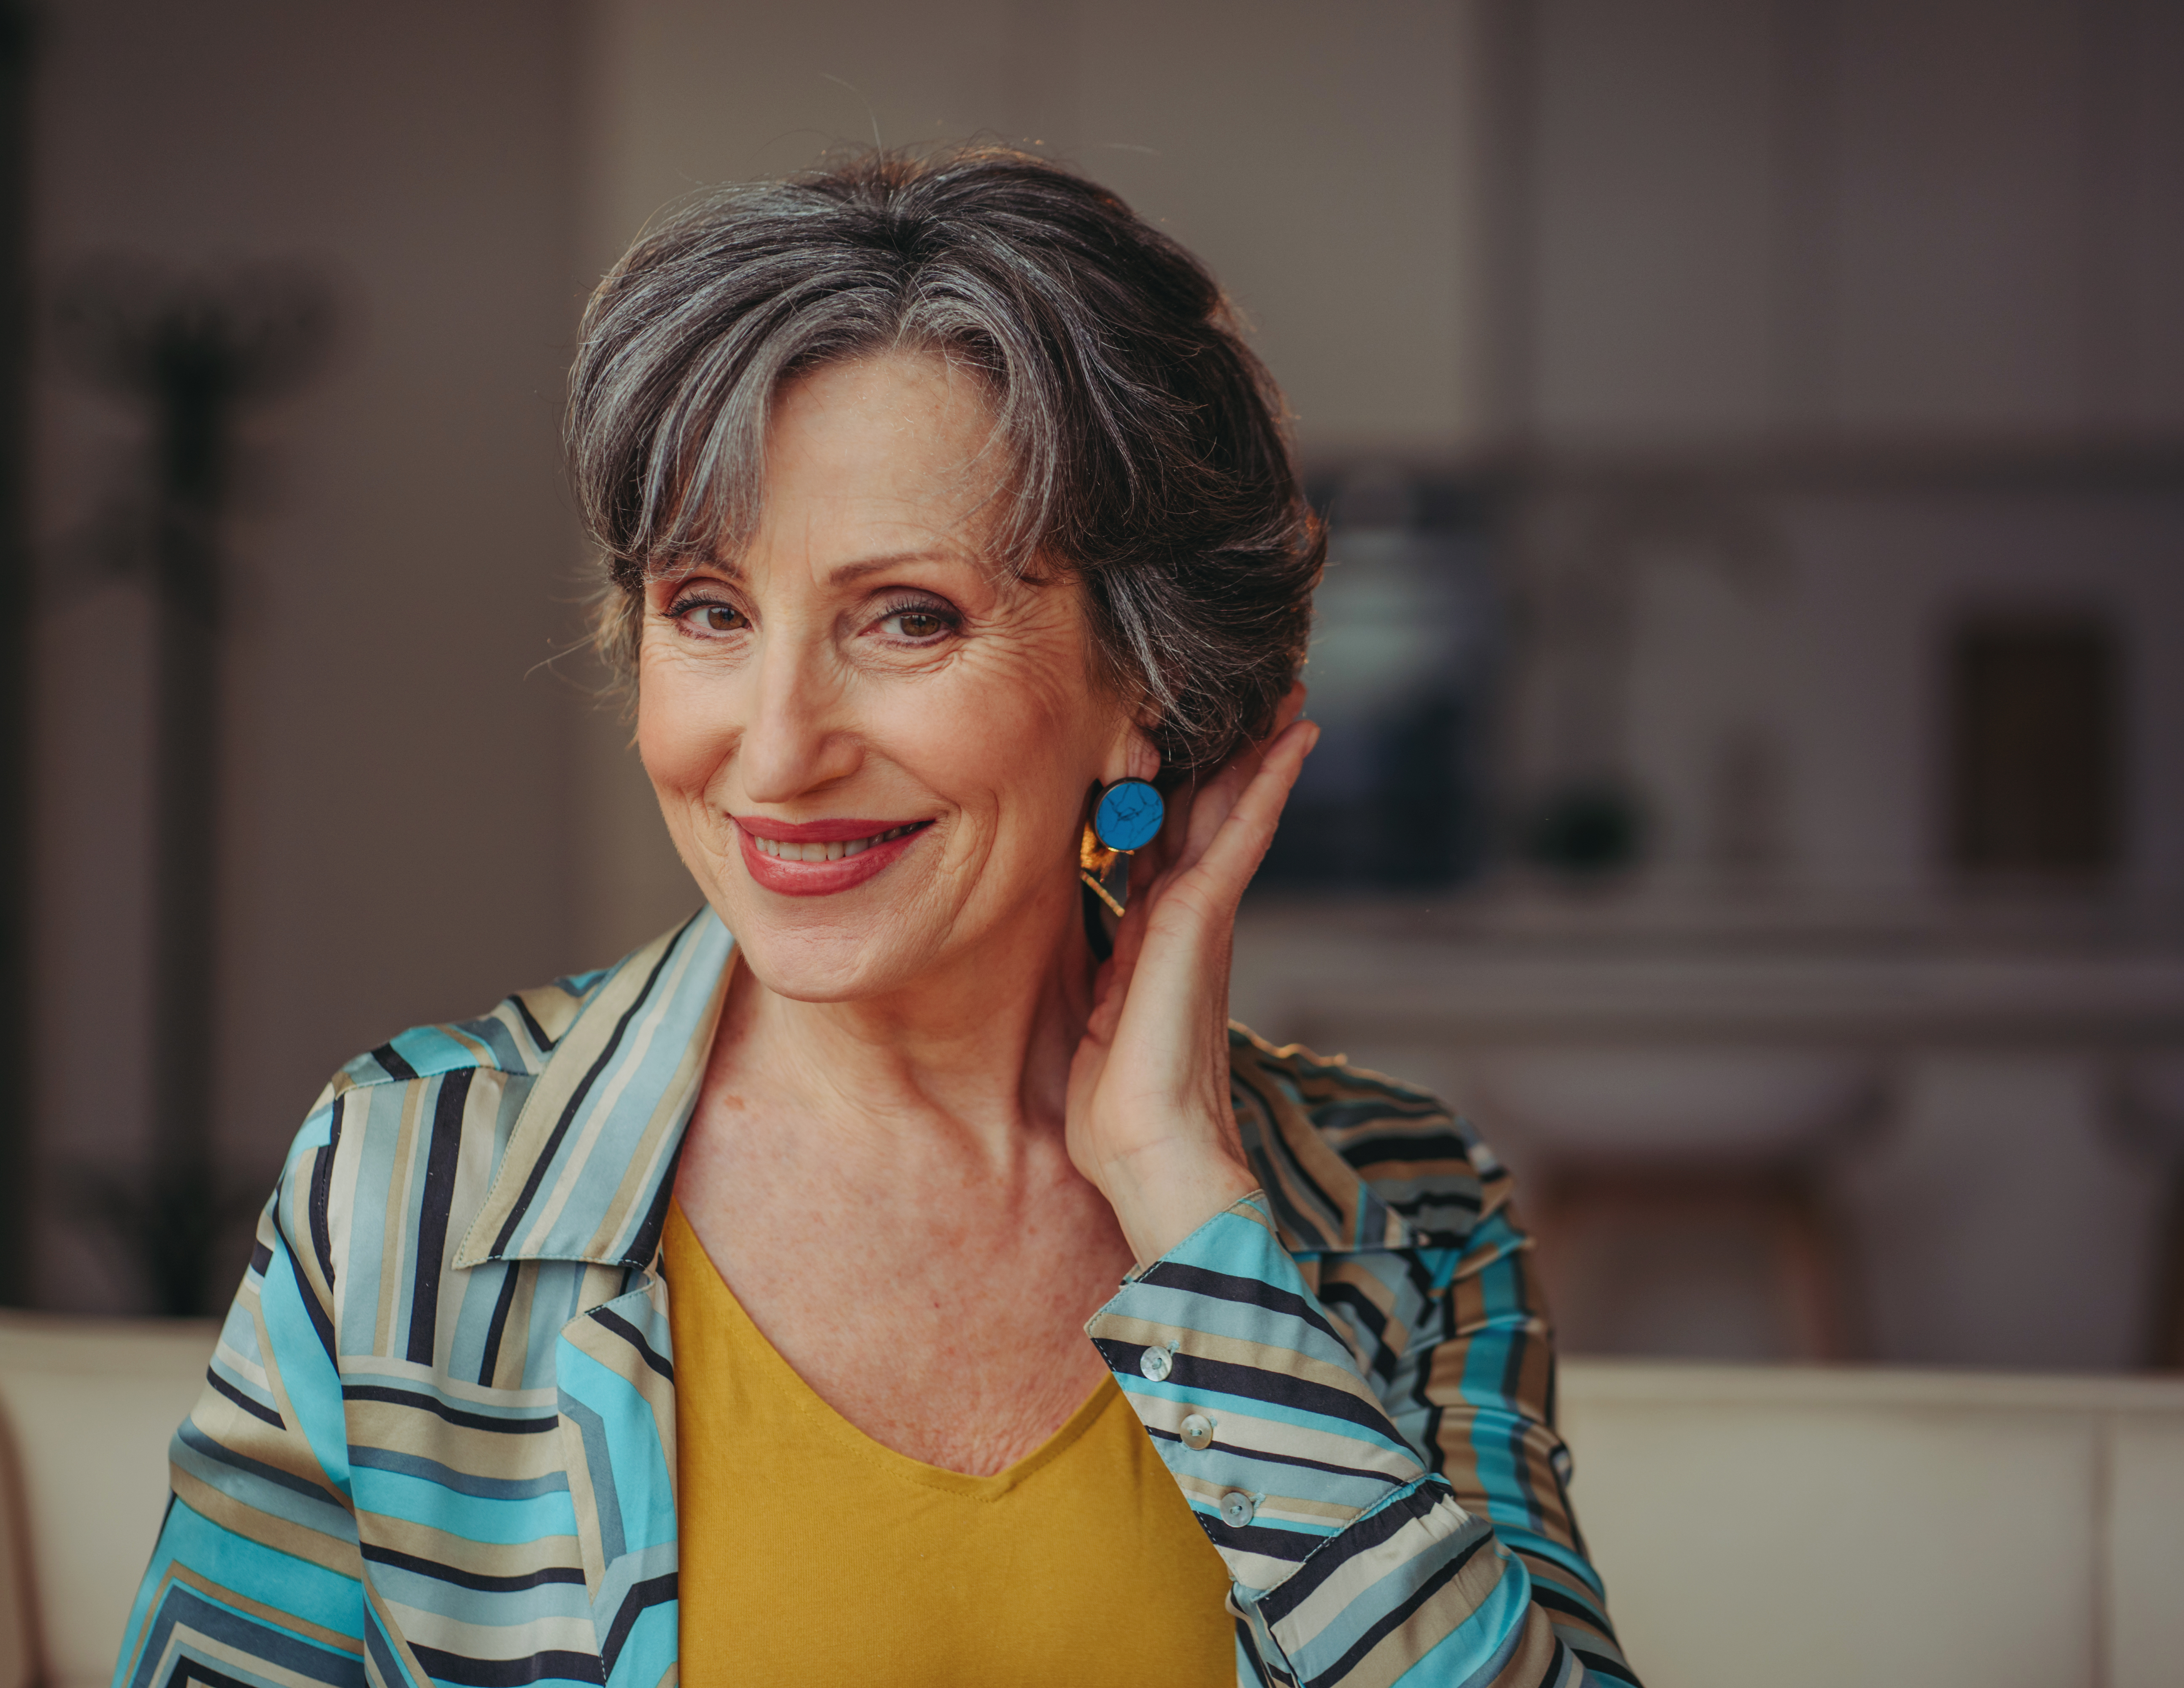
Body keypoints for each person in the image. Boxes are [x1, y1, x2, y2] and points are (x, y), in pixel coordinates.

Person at [115, 147, 1631, 1688]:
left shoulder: (1408, 1211)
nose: (775, 753)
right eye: (710, 611)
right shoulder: (410, 1181)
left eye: (909, 618)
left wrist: (1188, 1210)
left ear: (1148, 689)